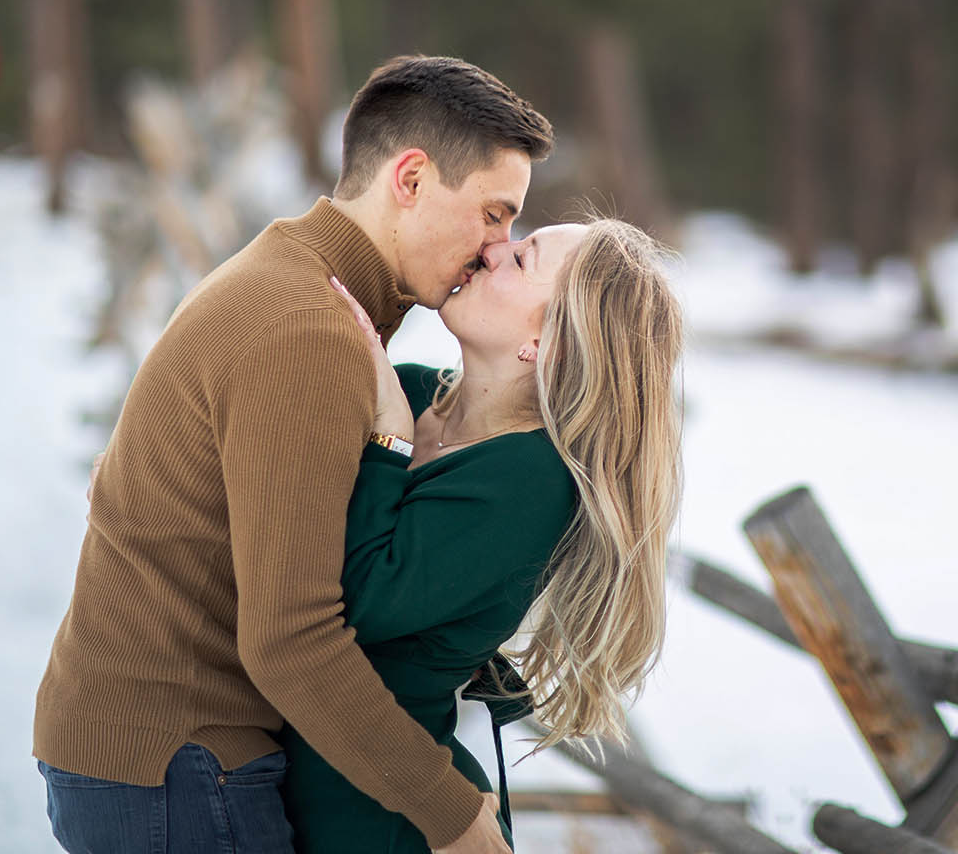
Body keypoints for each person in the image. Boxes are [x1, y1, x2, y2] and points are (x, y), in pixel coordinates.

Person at [35, 55, 555, 853]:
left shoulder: (296, 282)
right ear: (411, 180)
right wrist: (451, 816)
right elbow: (291, 641)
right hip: (179, 765)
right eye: (493, 213)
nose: (497, 246)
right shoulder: (308, 331)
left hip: (158, 758)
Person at [282, 219, 685, 850]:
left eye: (523, 260)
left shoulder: (530, 480)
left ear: (545, 342)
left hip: (379, 813)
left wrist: (388, 440)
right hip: (286, 773)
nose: (492, 248)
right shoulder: (410, 389)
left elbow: (354, 603)